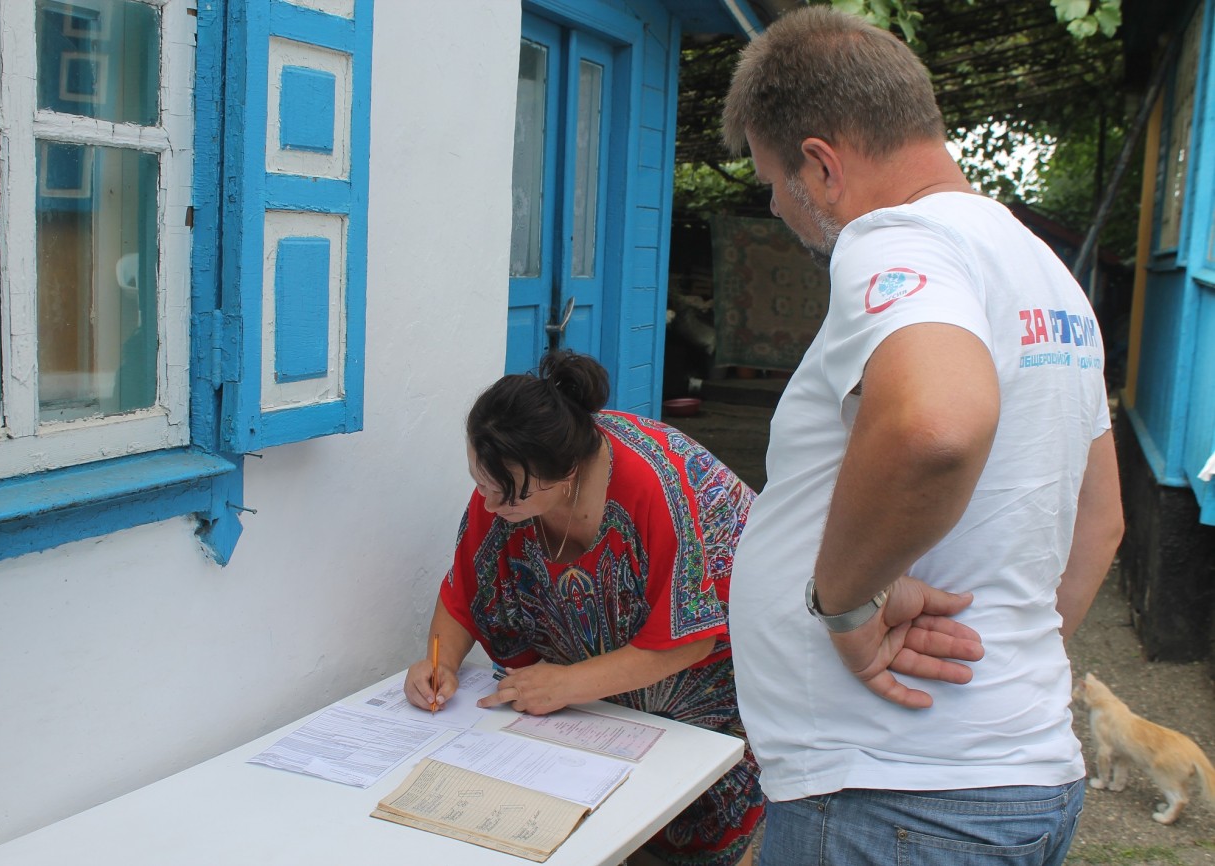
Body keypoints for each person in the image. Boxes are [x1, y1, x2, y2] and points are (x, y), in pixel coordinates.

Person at [719, 7, 1125, 866]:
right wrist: (1000, 674)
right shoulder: (1046, 275)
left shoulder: (896, 238)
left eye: (772, 178)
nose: (776, 205)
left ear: (822, 166)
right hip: (1003, 780)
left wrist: (847, 602)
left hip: (897, 800)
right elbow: (1100, 524)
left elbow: (936, 422)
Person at [404, 350, 762, 866]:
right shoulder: (508, 483)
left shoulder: (652, 487)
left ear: (567, 474)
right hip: (608, 690)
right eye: (479, 481)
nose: (487, 504)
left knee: (694, 824)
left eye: (505, 494)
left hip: (712, 677)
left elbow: (690, 637)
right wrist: (439, 663)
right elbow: (465, 589)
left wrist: (567, 684)